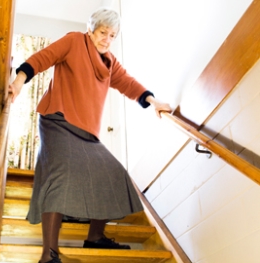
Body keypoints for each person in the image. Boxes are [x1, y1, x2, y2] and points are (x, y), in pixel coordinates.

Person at [9, 7, 172, 263]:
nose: (107, 39)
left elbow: (129, 84)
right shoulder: (74, 41)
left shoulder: (110, 62)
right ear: (91, 30)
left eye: (112, 35)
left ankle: (95, 236)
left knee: (113, 174)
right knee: (59, 179)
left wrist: (154, 101)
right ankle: (48, 255)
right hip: (57, 120)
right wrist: (18, 82)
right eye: (103, 32)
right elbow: (43, 58)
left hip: (86, 132)